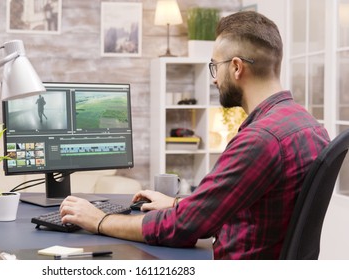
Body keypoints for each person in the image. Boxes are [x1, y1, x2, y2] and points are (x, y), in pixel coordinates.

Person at [59, 11, 331, 260]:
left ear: (236, 67)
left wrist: (99, 220)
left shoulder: (261, 139)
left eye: (215, 66)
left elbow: (185, 228)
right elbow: (236, 202)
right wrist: (179, 203)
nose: (214, 79)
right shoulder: (309, 125)